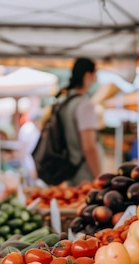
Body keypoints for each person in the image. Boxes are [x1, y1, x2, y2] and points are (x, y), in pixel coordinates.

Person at [59, 58, 102, 186]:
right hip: (84, 174)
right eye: (95, 74)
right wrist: (98, 178)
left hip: (68, 171)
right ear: (88, 75)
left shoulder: (64, 102)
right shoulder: (84, 105)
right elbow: (89, 147)